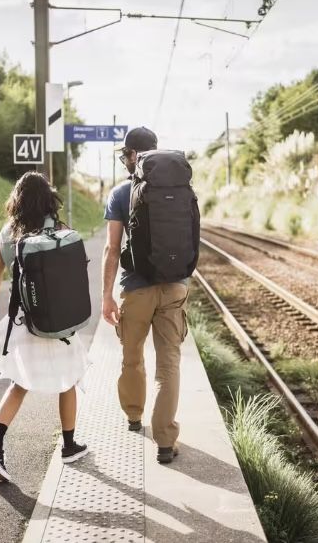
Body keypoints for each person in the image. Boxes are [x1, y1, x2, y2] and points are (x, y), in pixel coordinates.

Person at [0, 172, 91, 482]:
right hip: (57, 323)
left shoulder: (7, 233)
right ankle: (70, 445)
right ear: (49, 198)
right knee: (68, 381)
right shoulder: (60, 229)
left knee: (19, 384)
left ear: (16, 199)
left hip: (24, 322)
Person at [102, 126, 189, 464]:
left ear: (132, 155)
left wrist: (107, 296)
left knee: (132, 356)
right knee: (169, 363)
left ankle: (134, 417)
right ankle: (165, 442)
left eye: (126, 154)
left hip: (135, 290)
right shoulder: (181, 187)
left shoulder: (121, 193)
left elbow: (112, 249)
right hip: (175, 287)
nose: (125, 159)